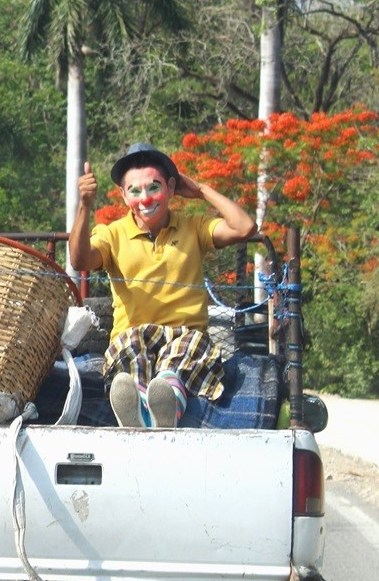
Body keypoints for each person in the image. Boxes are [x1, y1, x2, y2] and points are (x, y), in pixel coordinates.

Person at [70, 143, 257, 428]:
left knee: (186, 353)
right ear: (123, 195)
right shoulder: (111, 234)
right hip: (133, 334)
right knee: (128, 350)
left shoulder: (194, 226)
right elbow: (80, 258)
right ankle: (137, 407)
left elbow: (244, 227)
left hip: (186, 334)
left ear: (171, 188)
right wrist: (84, 205)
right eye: (135, 191)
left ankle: (164, 402)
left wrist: (202, 190)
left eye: (154, 187)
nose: (145, 199)